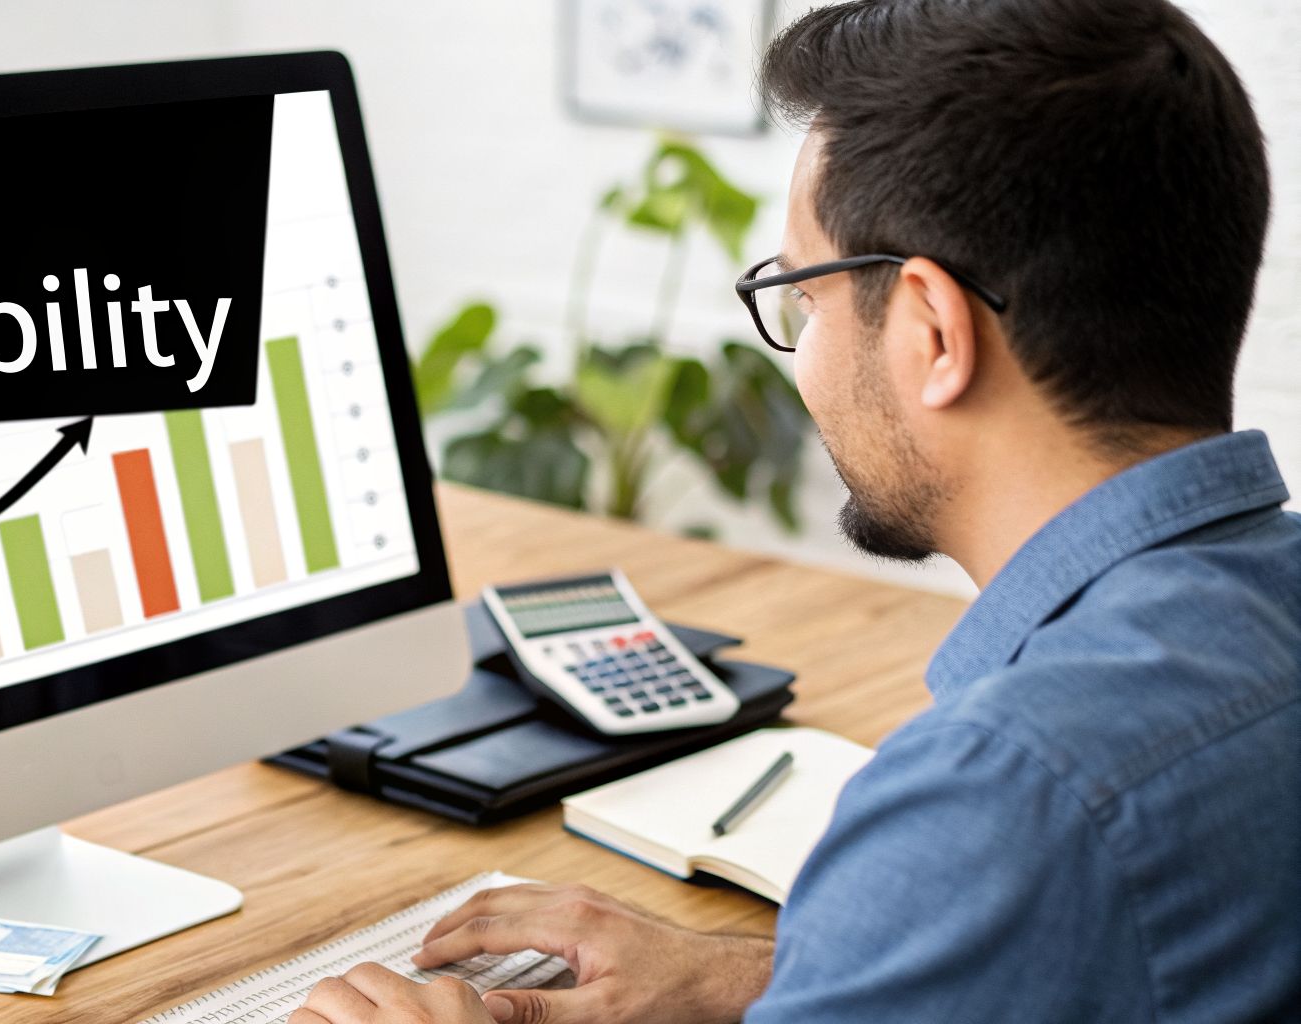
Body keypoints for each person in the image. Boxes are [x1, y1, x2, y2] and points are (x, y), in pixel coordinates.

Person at [289, 0, 1300, 1021]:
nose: (798, 350)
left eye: (805, 297)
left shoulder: (1001, 792)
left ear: (932, 332)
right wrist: (767, 977)